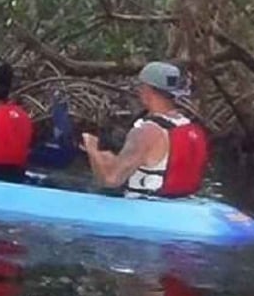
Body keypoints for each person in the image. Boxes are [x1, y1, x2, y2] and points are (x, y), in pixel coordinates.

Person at [82, 61, 210, 197]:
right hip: (182, 204)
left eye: (141, 86)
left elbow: (111, 179)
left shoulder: (145, 132)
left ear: (148, 90)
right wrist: (108, 158)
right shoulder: (189, 127)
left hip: (147, 208)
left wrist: (92, 148)